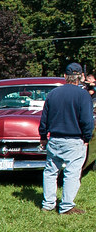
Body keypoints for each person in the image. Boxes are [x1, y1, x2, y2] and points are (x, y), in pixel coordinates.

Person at [39, 62, 94, 215]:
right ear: (80, 77)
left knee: (50, 172)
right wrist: (87, 137)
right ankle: (66, 206)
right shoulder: (83, 95)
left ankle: (48, 204)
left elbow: (44, 118)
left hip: (55, 138)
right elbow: (87, 120)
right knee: (72, 173)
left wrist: (43, 136)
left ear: (65, 76)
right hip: (74, 139)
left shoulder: (53, 93)